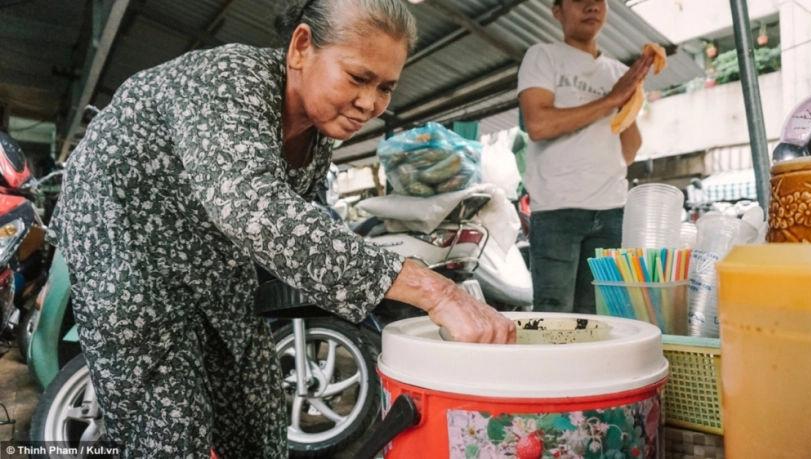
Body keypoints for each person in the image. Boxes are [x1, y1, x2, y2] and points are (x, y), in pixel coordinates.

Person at [46, 0, 516, 457]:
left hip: (208, 256)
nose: (370, 103)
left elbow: (303, 227)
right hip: (124, 246)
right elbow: (254, 208)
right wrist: (435, 292)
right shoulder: (227, 81)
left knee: (258, 410)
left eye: (386, 87)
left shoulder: (317, 132)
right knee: (171, 429)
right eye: (358, 77)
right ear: (301, 47)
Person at [517, 0, 654, 314]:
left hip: (610, 209)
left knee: (600, 315)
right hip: (557, 208)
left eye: (599, 0)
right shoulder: (543, 56)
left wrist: (625, 101)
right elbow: (538, 125)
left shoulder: (620, 73)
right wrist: (611, 99)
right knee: (555, 315)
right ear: (557, 10)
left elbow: (629, 150)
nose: (592, 5)